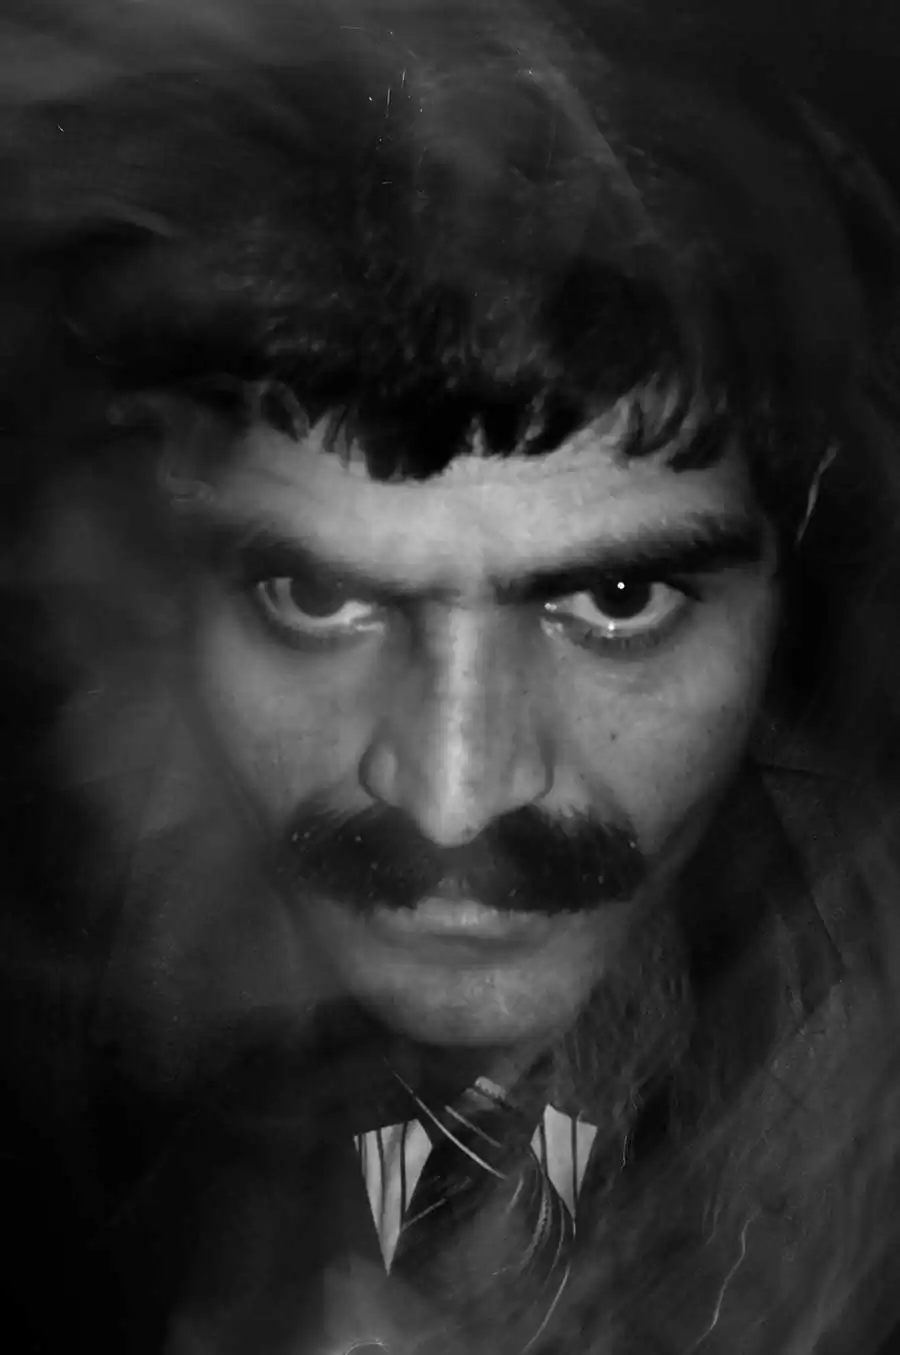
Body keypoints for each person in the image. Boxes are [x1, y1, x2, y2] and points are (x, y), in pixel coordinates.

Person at [2, 1, 900, 1352]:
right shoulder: (72, 1056)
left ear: (796, 576)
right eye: (317, 597)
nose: (453, 793)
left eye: (616, 600)